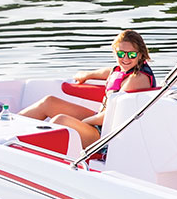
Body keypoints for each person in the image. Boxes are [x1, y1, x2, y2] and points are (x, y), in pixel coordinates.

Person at [19, 29, 155, 149]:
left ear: (140, 54)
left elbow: (113, 114)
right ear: (115, 52)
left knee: (60, 121)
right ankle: (10, 129)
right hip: (101, 122)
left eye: (131, 55)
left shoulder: (137, 79)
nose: (125, 58)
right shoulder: (125, 69)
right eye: (121, 54)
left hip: (109, 136)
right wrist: (87, 74)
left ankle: (24, 150)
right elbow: (109, 72)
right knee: (49, 103)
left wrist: (83, 123)